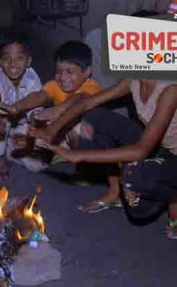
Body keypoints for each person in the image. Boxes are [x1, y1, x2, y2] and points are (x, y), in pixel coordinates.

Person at [32, 79, 177, 238]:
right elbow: (87, 104)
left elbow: (141, 151)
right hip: (157, 144)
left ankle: (173, 198)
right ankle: (114, 192)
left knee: (134, 182)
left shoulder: (171, 90)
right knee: (93, 117)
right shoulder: (134, 79)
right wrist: (52, 129)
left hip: (171, 154)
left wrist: (78, 156)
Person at [0, 41, 101, 165]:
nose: (63, 78)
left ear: (87, 72)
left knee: (77, 127)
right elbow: (39, 96)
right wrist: (17, 106)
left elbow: (77, 99)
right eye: (59, 71)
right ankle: (50, 152)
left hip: (93, 141)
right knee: (36, 117)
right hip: (63, 134)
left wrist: (57, 110)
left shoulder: (91, 87)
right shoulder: (55, 85)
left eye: (70, 72)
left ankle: (87, 165)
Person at [0, 32, 49, 183]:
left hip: (21, 125)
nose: (12, 64)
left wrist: (31, 136)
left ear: (28, 61)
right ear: (0, 62)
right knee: (0, 118)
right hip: (2, 125)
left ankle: (11, 149)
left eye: (19, 58)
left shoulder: (33, 81)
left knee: (39, 166)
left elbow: (35, 113)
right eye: (7, 58)